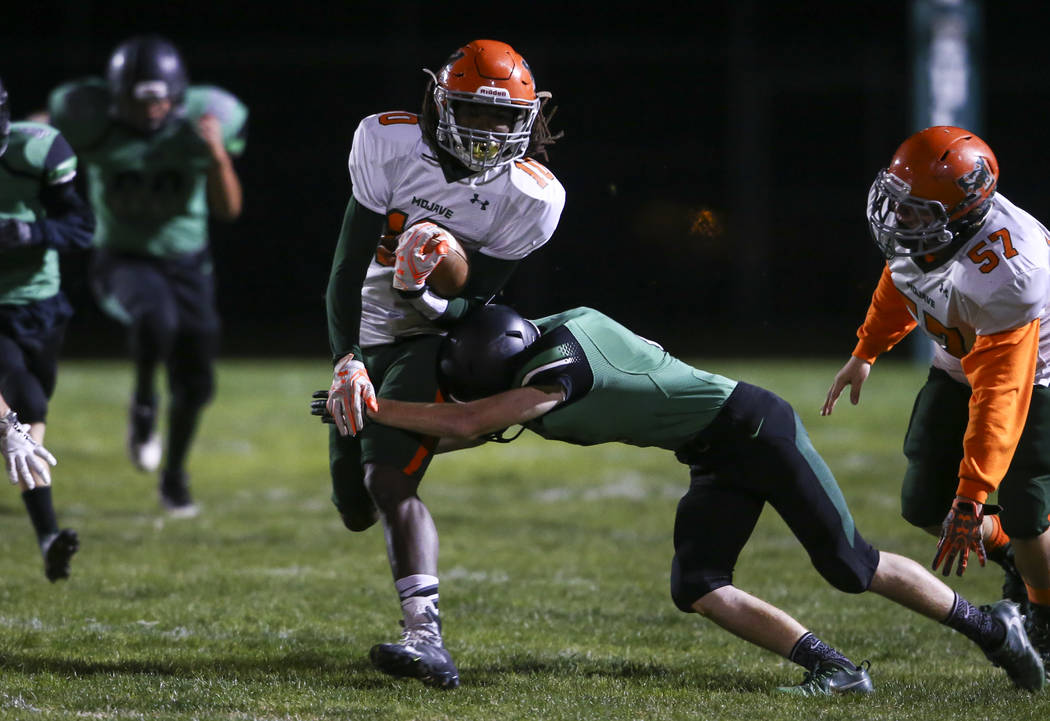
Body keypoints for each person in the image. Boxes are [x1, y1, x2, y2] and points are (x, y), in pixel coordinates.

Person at [315, 303, 1045, 694]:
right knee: (696, 584)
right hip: (712, 448)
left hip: (757, 428)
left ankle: (992, 627)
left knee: (847, 563)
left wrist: (374, 410)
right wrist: (388, 442)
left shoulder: (560, 373)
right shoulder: (542, 349)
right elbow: (470, 427)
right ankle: (835, 668)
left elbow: (471, 419)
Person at [323, 39, 564, 688]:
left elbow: (474, 304)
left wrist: (427, 290)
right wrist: (346, 359)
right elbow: (346, 272)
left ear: (527, 119)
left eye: (500, 119)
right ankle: (392, 434)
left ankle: (425, 634)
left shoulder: (531, 196)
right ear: (439, 102)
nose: (486, 132)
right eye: (472, 113)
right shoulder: (390, 144)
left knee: (387, 479)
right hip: (366, 328)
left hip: (427, 338)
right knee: (352, 502)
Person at [822, 126, 1050, 666]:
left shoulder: (1012, 272)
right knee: (923, 502)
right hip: (960, 356)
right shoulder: (929, 232)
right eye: (898, 203)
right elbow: (902, 282)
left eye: (916, 211)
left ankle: (1043, 613)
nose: (899, 218)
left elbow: (1001, 391)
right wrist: (866, 350)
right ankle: (1012, 558)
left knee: (1025, 514)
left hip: (1035, 374)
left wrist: (973, 495)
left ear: (964, 213)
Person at [43, 35, 248, 516]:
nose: (151, 110)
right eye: (139, 100)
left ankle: (174, 475)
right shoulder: (89, 119)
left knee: (196, 378)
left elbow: (229, 210)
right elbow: (44, 142)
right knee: (156, 320)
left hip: (189, 263)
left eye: (159, 98)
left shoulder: (203, 120)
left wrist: (217, 155)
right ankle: (142, 405)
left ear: (175, 94)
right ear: (116, 97)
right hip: (122, 258)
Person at [0, 75, 92, 580]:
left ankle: (46, 538)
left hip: (41, 304)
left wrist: (30, 231)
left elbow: (81, 229)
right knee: (25, 404)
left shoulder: (37, 150)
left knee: (32, 416)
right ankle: (49, 534)